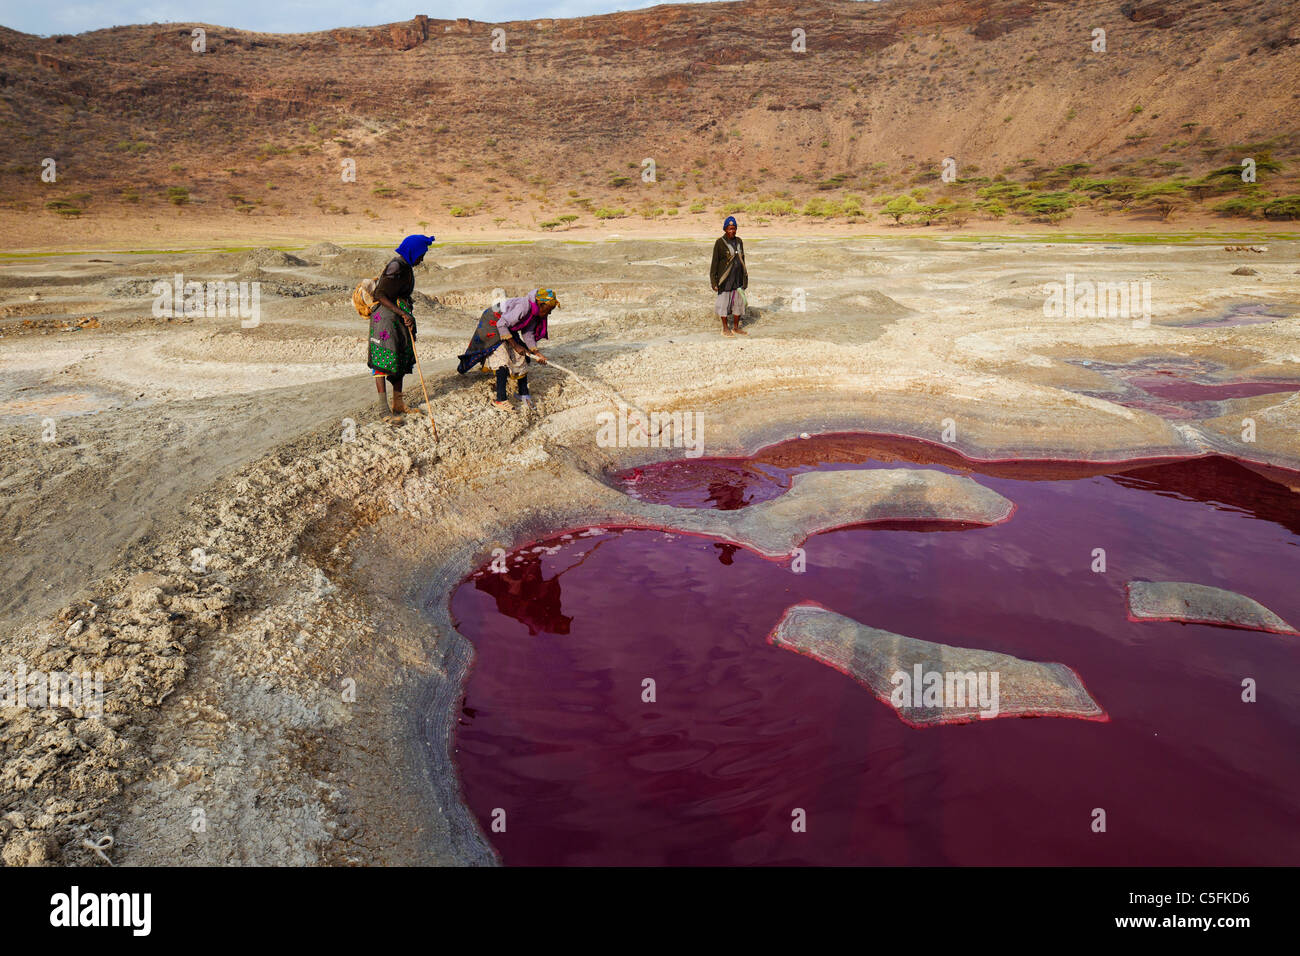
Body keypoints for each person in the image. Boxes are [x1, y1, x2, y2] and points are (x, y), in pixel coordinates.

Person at [456, 288, 559, 408]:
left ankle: (523, 394)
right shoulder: (524, 307)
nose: (549, 313)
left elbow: (528, 333)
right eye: (549, 310)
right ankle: (500, 399)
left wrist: (536, 352)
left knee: (521, 356)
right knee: (502, 357)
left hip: (506, 323)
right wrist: (515, 345)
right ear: (541, 304)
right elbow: (501, 324)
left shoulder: (534, 313)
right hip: (494, 320)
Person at [368, 234, 434, 420]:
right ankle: (383, 410)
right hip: (386, 320)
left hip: (397, 318)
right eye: (421, 254)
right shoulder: (396, 266)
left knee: (400, 358)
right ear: (413, 251)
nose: (422, 258)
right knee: (383, 359)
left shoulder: (405, 267)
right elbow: (380, 294)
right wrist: (403, 313)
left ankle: (398, 403)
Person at [709, 215, 748, 336]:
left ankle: (735, 328)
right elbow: (714, 263)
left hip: (737, 278)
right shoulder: (719, 243)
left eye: (734, 228)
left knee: (739, 303)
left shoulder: (739, 241)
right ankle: (725, 328)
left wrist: (745, 278)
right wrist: (714, 282)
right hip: (725, 279)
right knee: (724, 303)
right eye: (729, 228)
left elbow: (743, 260)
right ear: (725, 229)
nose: (732, 231)